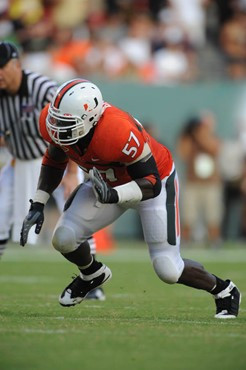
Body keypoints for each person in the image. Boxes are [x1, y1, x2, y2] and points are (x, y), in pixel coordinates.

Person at [20, 78, 241, 318]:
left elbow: (152, 183)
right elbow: (54, 159)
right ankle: (92, 274)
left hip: (152, 184)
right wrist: (38, 203)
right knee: (63, 238)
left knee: (168, 269)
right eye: (56, 121)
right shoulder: (54, 121)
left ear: (90, 118)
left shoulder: (116, 129)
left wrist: (114, 194)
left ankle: (224, 290)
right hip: (107, 182)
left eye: (66, 123)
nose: (57, 128)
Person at [0, 41, 106, 300]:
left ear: (16, 64)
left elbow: (69, 129)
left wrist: (71, 172)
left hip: (56, 161)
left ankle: (92, 281)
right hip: (18, 162)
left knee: (77, 218)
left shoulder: (42, 89)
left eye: (1, 67)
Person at [176, 113, 223, 246]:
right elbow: (183, 154)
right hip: (193, 183)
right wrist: (190, 135)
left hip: (211, 183)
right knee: (188, 215)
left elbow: (214, 149)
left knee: (213, 214)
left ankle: (214, 240)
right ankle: (185, 240)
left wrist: (200, 135)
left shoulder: (212, 138)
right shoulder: (188, 139)